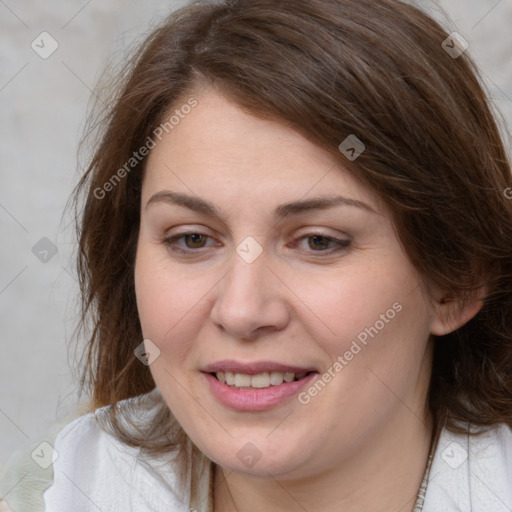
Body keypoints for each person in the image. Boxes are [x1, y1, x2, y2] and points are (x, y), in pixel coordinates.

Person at [2, 0, 512, 510]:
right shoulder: (48, 493)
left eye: (318, 241)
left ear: (457, 281)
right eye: (192, 239)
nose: (241, 311)